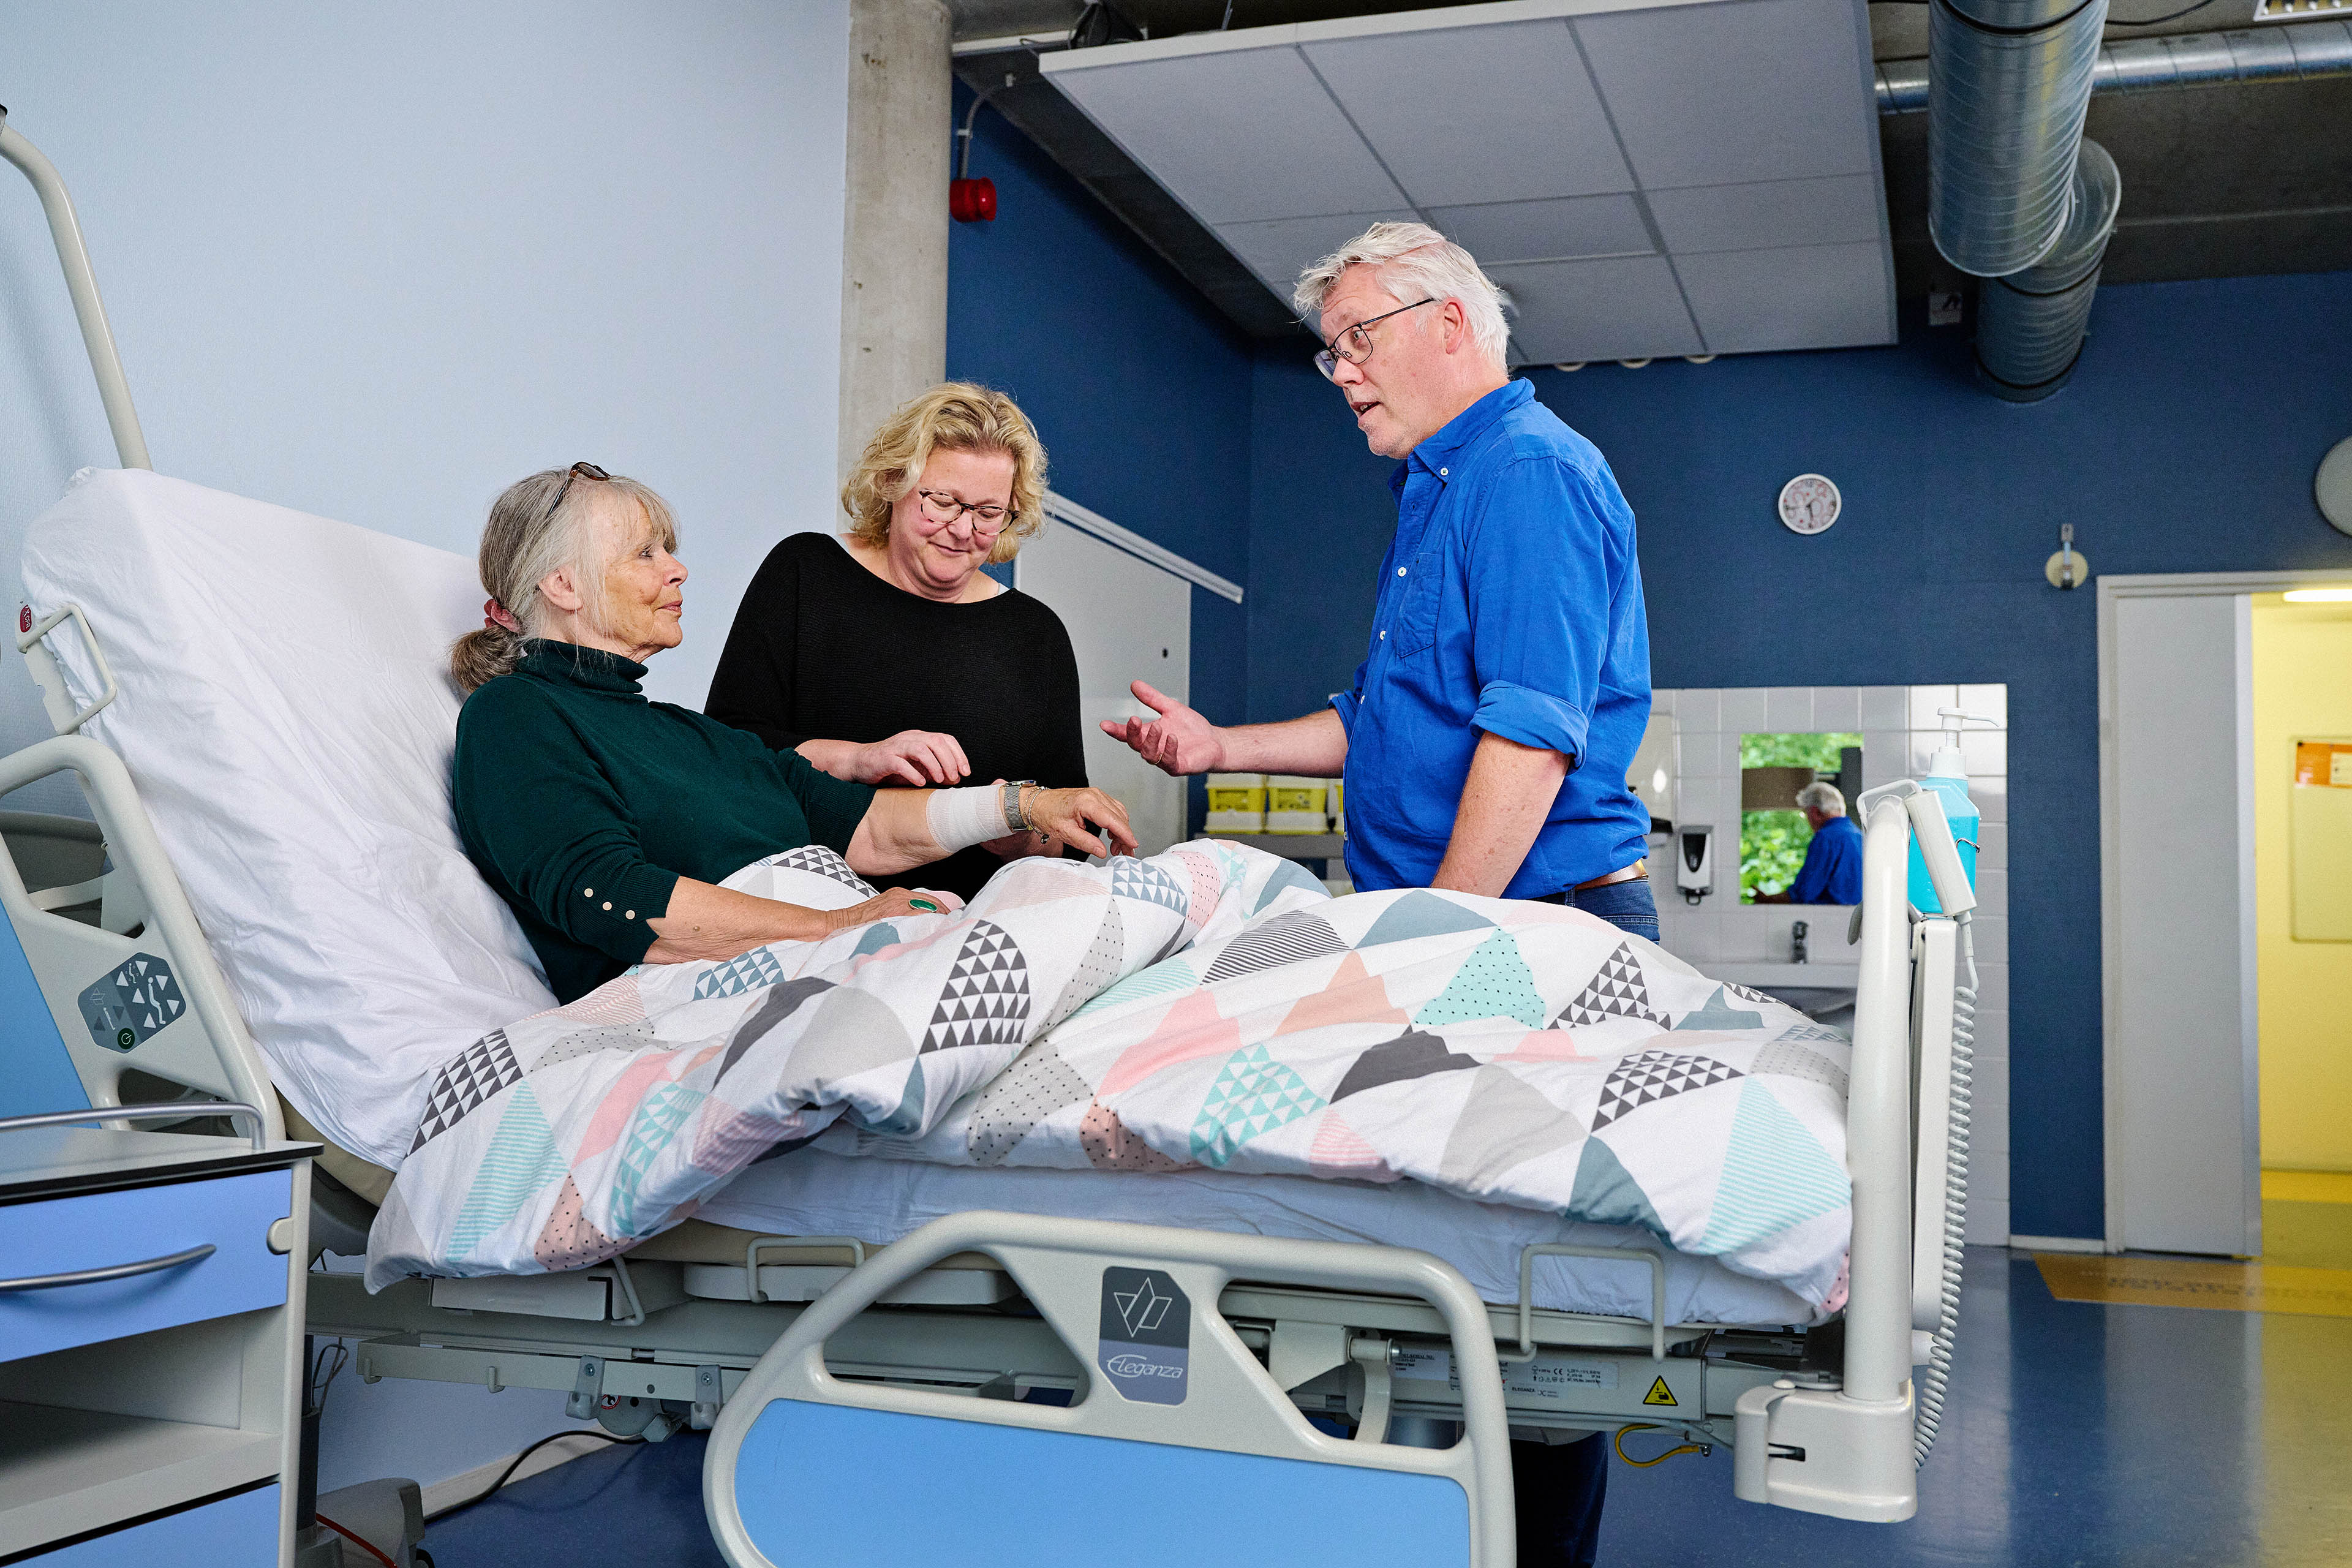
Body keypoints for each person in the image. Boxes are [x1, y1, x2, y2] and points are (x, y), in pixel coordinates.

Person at [1100, 221, 1649, 1566]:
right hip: (1470, 913)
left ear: (1451, 322)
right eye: (1327, 348)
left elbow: (1529, 735)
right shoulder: (1440, 484)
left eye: (1358, 339)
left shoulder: (1524, 473)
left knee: (1524, 1317)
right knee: (1441, 1286)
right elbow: (1390, 717)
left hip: (1529, 919)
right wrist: (1222, 748)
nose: (1339, 371)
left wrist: (1441, 932)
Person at [448, 461, 1135, 1004]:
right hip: (714, 1001)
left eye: (671, 550)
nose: (678, 568)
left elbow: (868, 826)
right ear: (563, 586)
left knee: (1150, 900)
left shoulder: (692, 736)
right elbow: (610, 900)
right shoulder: (515, 715)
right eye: (646, 553)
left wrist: (1021, 805)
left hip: (836, 964)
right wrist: (839, 928)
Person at [706, 384, 1088, 905]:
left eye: (988, 512)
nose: (962, 529)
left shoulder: (1036, 635)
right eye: (943, 501)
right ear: (893, 482)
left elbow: (1068, 829)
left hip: (966, 928)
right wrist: (861, 760)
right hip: (801, 911)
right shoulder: (806, 573)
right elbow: (726, 755)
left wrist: (1018, 833)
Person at [1754, 781, 1863, 905]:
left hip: (1830, 917)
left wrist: (1767, 900)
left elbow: (1805, 891)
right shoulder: (1859, 835)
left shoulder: (1827, 837)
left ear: (1815, 813)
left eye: (1805, 813)